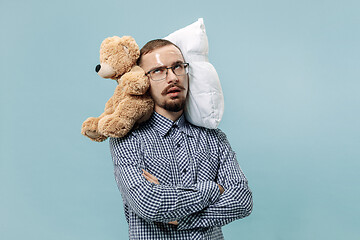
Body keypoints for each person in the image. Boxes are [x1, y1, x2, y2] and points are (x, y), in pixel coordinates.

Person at [109, 39, 253, 240]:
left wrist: (183, 219)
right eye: (158, 71)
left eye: (177, 67)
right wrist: (214, 189)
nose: (172, 78)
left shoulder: (215, 138)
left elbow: (242, 200)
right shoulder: (128, 140)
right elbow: (149, 204)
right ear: (143, 81)